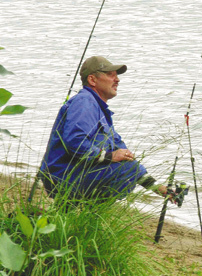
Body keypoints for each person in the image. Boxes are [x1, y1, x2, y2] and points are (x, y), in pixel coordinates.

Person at [39, 56, 169, 204]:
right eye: (110, 75)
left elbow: (126, 157)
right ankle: (79, 212)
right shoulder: (84, 102)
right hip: (63, 177)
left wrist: (159, 188)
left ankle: (74, 213)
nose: (117, 80)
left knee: (128, 167)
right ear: (92, 80)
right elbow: (75, 142)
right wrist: (110, 157)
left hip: (74, 175)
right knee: (126, 169)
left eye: (117, 75)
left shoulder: (100, 111)